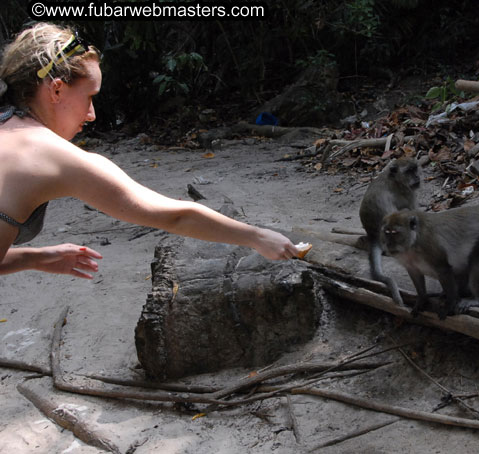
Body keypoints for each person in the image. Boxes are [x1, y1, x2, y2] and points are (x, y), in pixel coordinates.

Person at [0, 22, 299, 279]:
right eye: (89, 97)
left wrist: (33, 258)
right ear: (56, 90)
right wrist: (258, 237)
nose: (91, 114)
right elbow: (175, 216)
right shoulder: (58, 158)